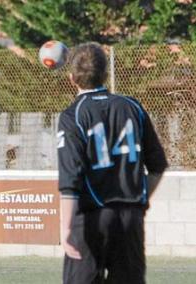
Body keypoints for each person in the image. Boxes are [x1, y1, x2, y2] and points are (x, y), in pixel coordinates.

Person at [57, 42, 168, 284]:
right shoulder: (132, 106)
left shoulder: (73, 115)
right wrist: (141, 198)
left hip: (91, 218)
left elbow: (70, 179)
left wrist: (65, 229)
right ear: (105, 73)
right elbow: (158, 165)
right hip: (130, 218)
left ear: (72, 78)